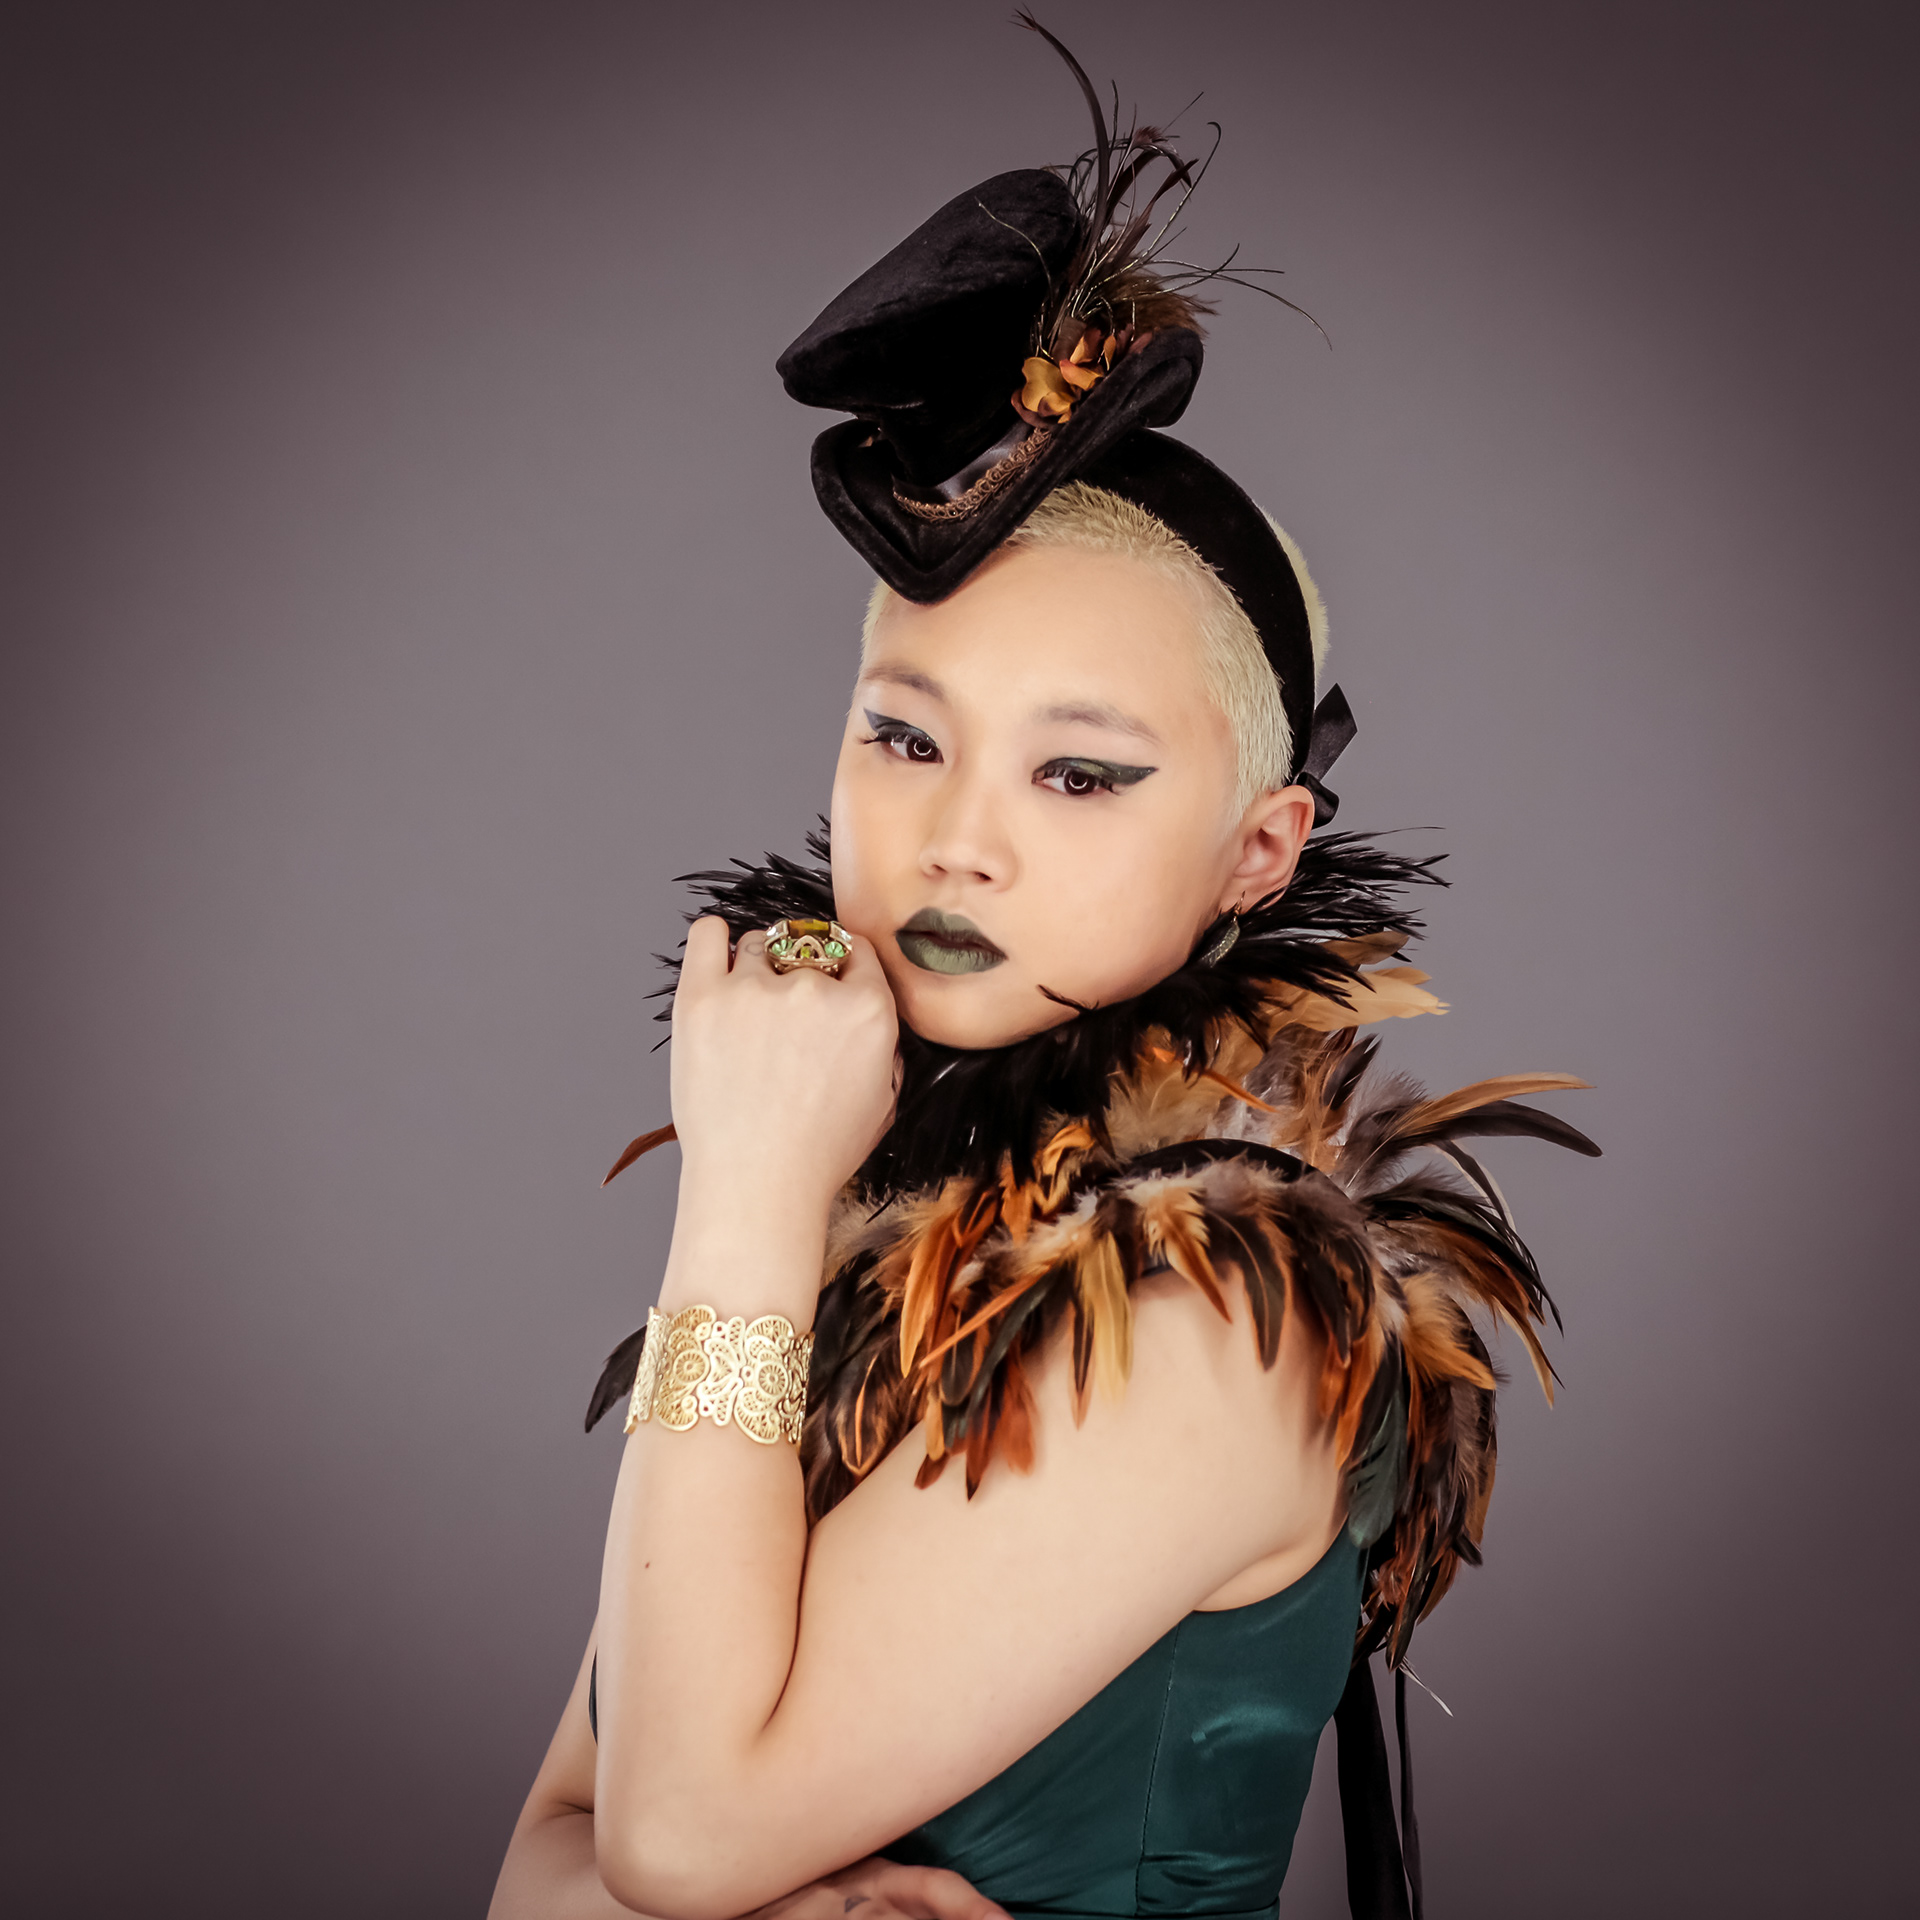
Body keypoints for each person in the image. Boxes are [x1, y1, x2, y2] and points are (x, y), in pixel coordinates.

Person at [490, 22, 1594, 1920]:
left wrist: (742, 1204)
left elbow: (658, 1844)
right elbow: (534, 1870)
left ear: (1258, 852)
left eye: (1081, 773)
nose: (957, 839)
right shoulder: (887, 1206)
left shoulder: (1233, 1314)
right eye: (904, 736)